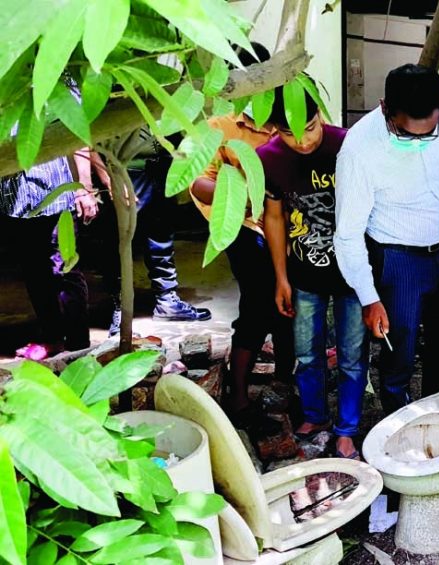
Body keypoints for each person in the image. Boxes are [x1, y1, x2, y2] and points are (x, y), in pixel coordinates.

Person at [335, 64, 439, 415]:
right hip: (398, 261)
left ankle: (437, 413)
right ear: (385, 108)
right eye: (409, 135)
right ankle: (397, 420)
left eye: (430, 132)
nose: (422, 142)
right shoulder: (359, 149)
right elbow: (348, 234)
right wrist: (369, 298)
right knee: (400, 350)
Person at [190, 43, 294, 436]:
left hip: (292, 229)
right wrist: (239, 194)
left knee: (291, 308)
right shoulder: (221, 127)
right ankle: (238, 396)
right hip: (246, 229)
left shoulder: (291, 113)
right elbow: (198, 184)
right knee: (258, 305)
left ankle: (284, 384)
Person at [260, 80, 367, 460]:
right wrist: (281, 277)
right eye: (290, 133)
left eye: (310, 127)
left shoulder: (349, 145)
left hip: (353, 276)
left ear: (321, 114)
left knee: (353, 355)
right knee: (307, 354)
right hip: (304, 275)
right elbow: (272, 217)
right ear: (275, 130)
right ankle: (315, 417)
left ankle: (347, 429)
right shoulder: (269, 158)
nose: (303, 142)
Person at [104, 130, 211, 335]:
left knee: (161, 233)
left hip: (161, 166)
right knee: (120, 240)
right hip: (125, 169)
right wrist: (108, 178)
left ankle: (166, 299)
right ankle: (119, 308)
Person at [0, 152, 99, 359]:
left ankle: (78, 346)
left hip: (57, 197)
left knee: (66, 269)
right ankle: (52, 338)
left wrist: (84, 188)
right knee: (34, 271)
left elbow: (77, 139)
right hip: (15, 203)